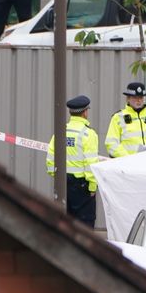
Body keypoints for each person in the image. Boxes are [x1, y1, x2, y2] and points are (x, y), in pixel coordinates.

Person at [46, 95, 100, 228]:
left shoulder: (61, 131)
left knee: (65, 225)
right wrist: (92, 187)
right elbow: (91, 163)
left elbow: (50, 157)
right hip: (82, 188)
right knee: (84, 227)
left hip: (63, 184)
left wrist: (57, 176)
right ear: (85, 112)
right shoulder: (88, 134)